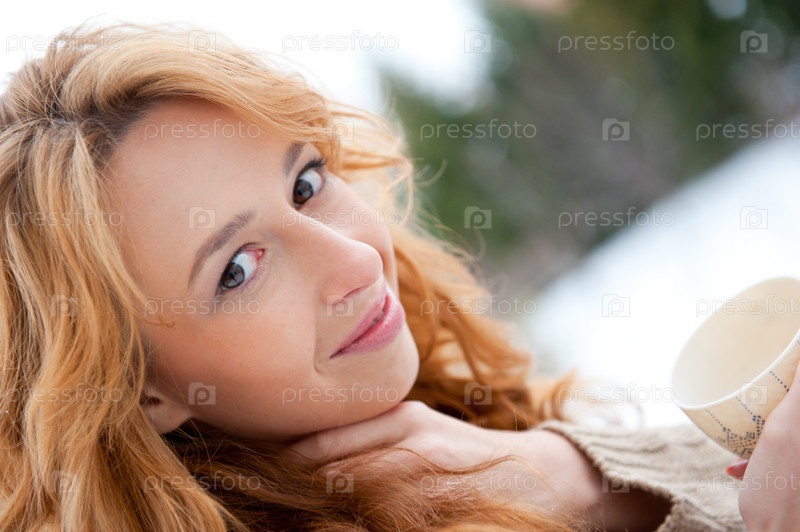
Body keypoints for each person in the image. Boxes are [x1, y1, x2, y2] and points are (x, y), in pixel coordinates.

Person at [0, 23, 787, 531]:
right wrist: (584, 483)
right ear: (143, 392)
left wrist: (575, 474)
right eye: (238, 269)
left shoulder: (463, 428)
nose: (355, 260)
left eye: (306, 183)